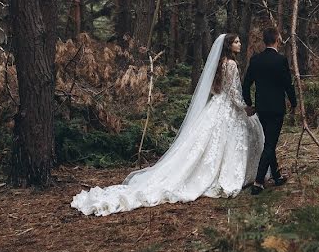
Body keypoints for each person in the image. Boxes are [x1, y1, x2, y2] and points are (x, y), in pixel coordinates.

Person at [70, 34, 263, 216]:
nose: (239, 44)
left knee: (211, 143)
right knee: (226, 142)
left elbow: (217, 89)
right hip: (227, 107)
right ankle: (225, 175)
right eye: (236, 42)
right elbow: (233, 92)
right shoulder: (231, 65)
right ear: (229, 46)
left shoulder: (220, 63)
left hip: (216, 106)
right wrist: (245, 107)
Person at [241, 26, 297, 195]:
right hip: (276, 108)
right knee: (270, 144)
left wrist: (250, 104)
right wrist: (293, 102)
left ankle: (277, 176)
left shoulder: (255, 60)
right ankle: (258, 182)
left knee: (269, 142)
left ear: (264, 40)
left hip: (261, 108)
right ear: (277, 40)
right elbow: (288, 83)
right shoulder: (280, 60)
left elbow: (246, 85)